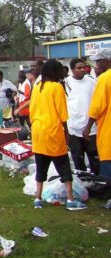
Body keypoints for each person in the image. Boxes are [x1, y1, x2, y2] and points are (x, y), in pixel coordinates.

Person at [30, 59, 86, 210]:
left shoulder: (37, 87)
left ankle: (38, 198)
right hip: (53, 130)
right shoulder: (56, 87)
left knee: (41, 166)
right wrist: (66, 132)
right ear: (55, 72)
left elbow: (32, 110)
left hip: (38, 130)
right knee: (63, 166)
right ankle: (70, 200)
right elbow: (62, 113)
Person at [64, 58, 99, 174]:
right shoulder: (65, 83)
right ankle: (83, 183)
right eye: (79, 68)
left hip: (91, 128)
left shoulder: (92, 82)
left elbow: (97, 102)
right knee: (77, 158)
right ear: (72, 70)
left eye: (84, 67)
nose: (82, 70)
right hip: (73, 128)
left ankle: (97, 183)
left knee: (94, 157)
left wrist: (90, 126)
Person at [84, 48, 111, 184]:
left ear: (107, 61)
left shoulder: (105, 78)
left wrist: (88, 127)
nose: (96, 65)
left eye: (98, 61)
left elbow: (97, 107)